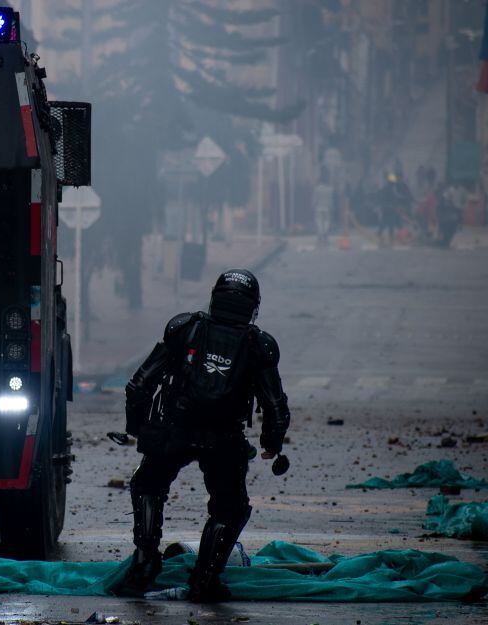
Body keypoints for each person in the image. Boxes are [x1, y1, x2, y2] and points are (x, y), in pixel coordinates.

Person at [114, 270, 291, 602]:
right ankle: (206, 579)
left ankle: (144, 562)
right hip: (224, 438)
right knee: (230, 508)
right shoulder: (260, 346)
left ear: (214, 296)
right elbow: (275, 405)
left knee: (148, 485)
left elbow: (139, 384)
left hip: (175, 428)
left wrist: (137, 429)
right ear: (253, 306)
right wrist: (272, 444)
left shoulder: (185, 328)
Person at [313, 171, 335, 247]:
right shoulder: (330, 189)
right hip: (327, 207)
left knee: (319, 222)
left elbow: (315, 199)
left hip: (318, 207)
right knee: (326, 222)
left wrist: (313, 205)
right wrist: (331, 207)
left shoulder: (317, 189)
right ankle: (325, 236)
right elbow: (331, 200)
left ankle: (320, 236)